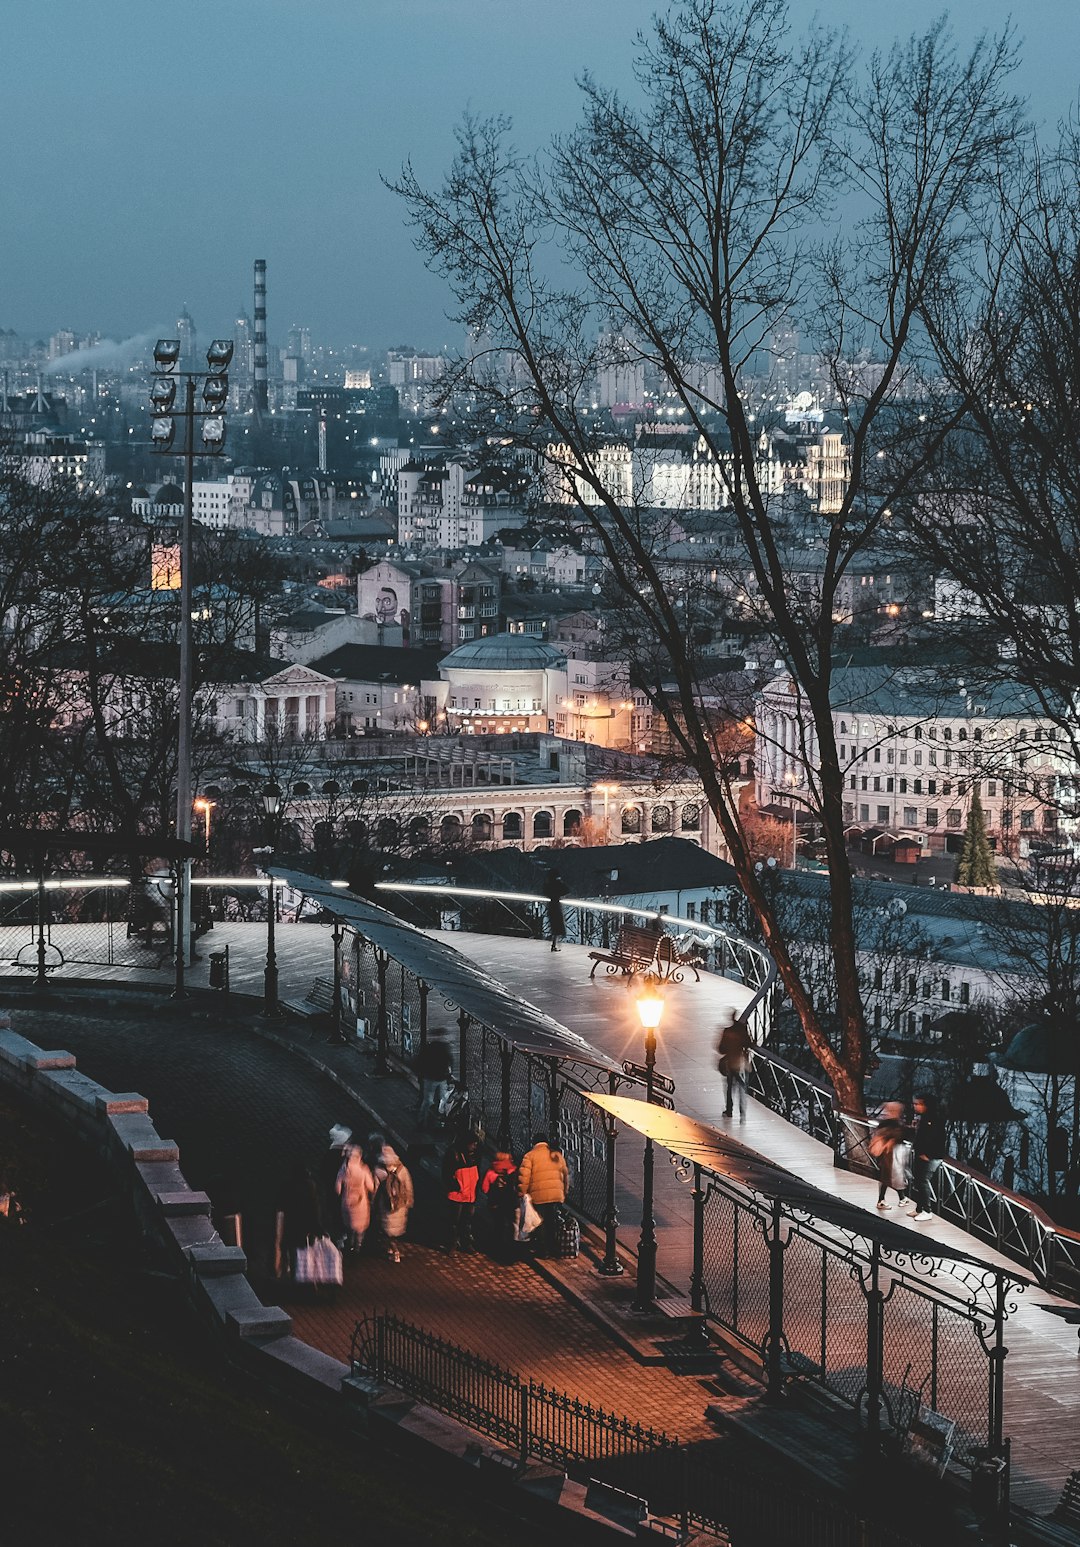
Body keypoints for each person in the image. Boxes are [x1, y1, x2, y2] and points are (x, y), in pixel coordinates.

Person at [517, 1132, 569, 1256]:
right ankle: (553, 1247)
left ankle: (543, 1249)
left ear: (534, 1143)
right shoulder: (556, 1154)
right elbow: (566, 1175)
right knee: (552, 1220)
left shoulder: (530, 1156)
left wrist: (521, 1192)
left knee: (540, 1221)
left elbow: (524, 1177)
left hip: (538, 1195)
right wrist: (564, 1192)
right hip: (556, 1194)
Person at [371, 1141, 414, 1262]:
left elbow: (374, 1190)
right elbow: (408, 1187)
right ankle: (392, 1248)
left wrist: (372, 1203)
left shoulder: (378, 1170)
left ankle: (395, 1251)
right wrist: (409, 1201)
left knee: (386, 1231)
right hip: (400, 1205)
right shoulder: (402, 1169)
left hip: (385, 1205)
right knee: (394, 1231)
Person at [335, 1136, 376, 1255]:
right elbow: (371, 1186)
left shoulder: (344, 1170)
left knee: (349, 1225)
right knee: (360, 1228)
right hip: (360, 1202)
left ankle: (350, 1245)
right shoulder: (363, 1170)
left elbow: (337, 1188)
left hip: (347, 1202)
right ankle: (358, 1247)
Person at [908, 1093, 945, 1222]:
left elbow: (935, 1138)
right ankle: (919, 1208)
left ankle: (927, 1210)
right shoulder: (925, 1118)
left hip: (930, 1156)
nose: (915, 1106)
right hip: (923, 1154)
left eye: (918, 1104)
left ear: (926, 1105)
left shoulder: (933, 1118)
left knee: (923, 1181)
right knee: (918, 1180)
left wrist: (928, 1154)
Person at [443, 1131, 481, 1253]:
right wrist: (455, 1186)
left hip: (470, 1195)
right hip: (458, 1195)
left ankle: (465, 1243)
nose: (475, 1146)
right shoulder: (454, 1154)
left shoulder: (474, 1154)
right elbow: (446, 1174)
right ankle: (453, 1244)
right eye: (473, 1144)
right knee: (455, 1221)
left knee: (467, 1221)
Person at [869, 1102, 910, 1211]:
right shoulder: (894, 1124)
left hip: (887, 1153)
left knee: (890, 1176)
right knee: (893, 1176)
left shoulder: (884, 1123)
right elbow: (899, 1136)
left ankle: (900, 1198)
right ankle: (884, 1200)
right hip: (892, 1153)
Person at [480, 1149, 518, 1255]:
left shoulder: (490, 1172)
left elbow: (484, 1189)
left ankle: (496, 1245)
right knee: (511, 1224)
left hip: (494, 1203)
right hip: (510, 1202)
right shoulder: (513, 1171)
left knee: (498, 1224)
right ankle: (510, 1247)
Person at [716, 1008, 752, 1121]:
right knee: (739, 1083)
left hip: (730, 1061)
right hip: (739, 1060)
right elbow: (748, 1043)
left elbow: (720, 1049)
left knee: (729, 1086)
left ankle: (729, 1109)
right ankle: (742, 1110)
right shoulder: (742, 1029)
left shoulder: (727, 1031)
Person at [320, 1124, 353, 1244]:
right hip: (342, 1190)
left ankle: (338, 1235)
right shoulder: (344, 1156)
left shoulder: (329, 1154)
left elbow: (323, 1173)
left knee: (334, 1211)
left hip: (331, 1189)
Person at [415, 1034, 454, 1130]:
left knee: (428, 1101)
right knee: (442, 1101)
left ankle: (422, 1123)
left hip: (431, 1077)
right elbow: (450, 1062)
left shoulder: (429, 1048)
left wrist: (421, 1074)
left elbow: (421, 1061)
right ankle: (441, 1123)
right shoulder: (445, 1049)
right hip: (441, 1078)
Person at [544, 869, 568, 952]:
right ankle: (554, 945)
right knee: (558, 927)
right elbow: (566, 890)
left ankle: (554, 944)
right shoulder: (557, 884)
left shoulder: (547, 884)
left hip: (550, 906)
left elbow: (544, 892)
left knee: (554, 926)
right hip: (557, 906)